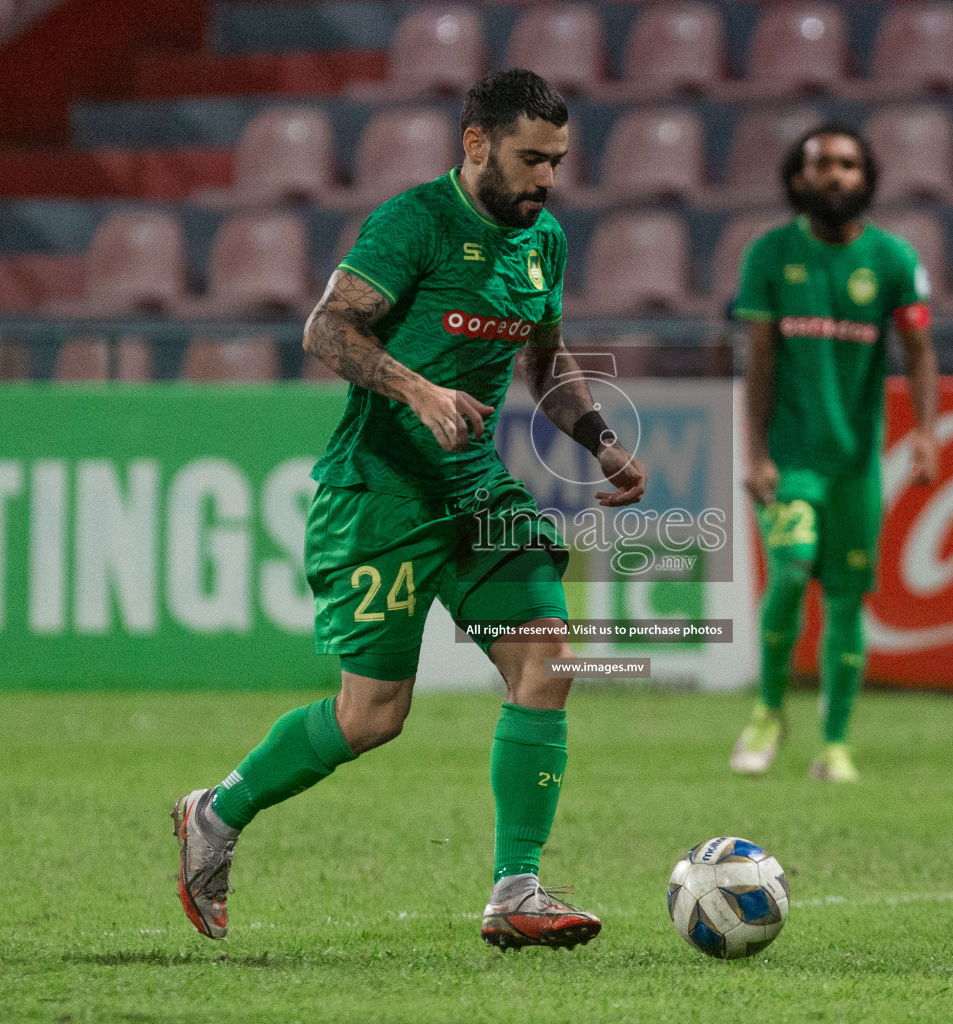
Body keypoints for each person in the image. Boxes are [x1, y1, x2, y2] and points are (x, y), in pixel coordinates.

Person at [173, 69, 647, 950]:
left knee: (548, 663)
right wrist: (415, 387)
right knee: (372, 717)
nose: (547, 180)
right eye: (530, 159)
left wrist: (599, 440)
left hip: (475, 490)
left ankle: (516, 888)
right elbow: (325, 328)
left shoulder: (542, 240)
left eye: (557, 162)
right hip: (382, 491)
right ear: (476, 145)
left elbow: (547, 363)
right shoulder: (413, 221)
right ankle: (216, 810)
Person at [729, 123, 941, 783]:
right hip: (792, 458)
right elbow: (759, 361)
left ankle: (835, 744)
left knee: (846, 601)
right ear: (797, 178)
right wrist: (756, 452)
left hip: (856, 464)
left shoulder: (893, 260)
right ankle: (766, 711)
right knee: (790, 572)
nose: (835, 176)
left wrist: (928, 432)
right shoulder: (767, 255)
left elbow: (919, 353)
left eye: (848, 165)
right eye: (821, 165)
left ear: (866, 176)